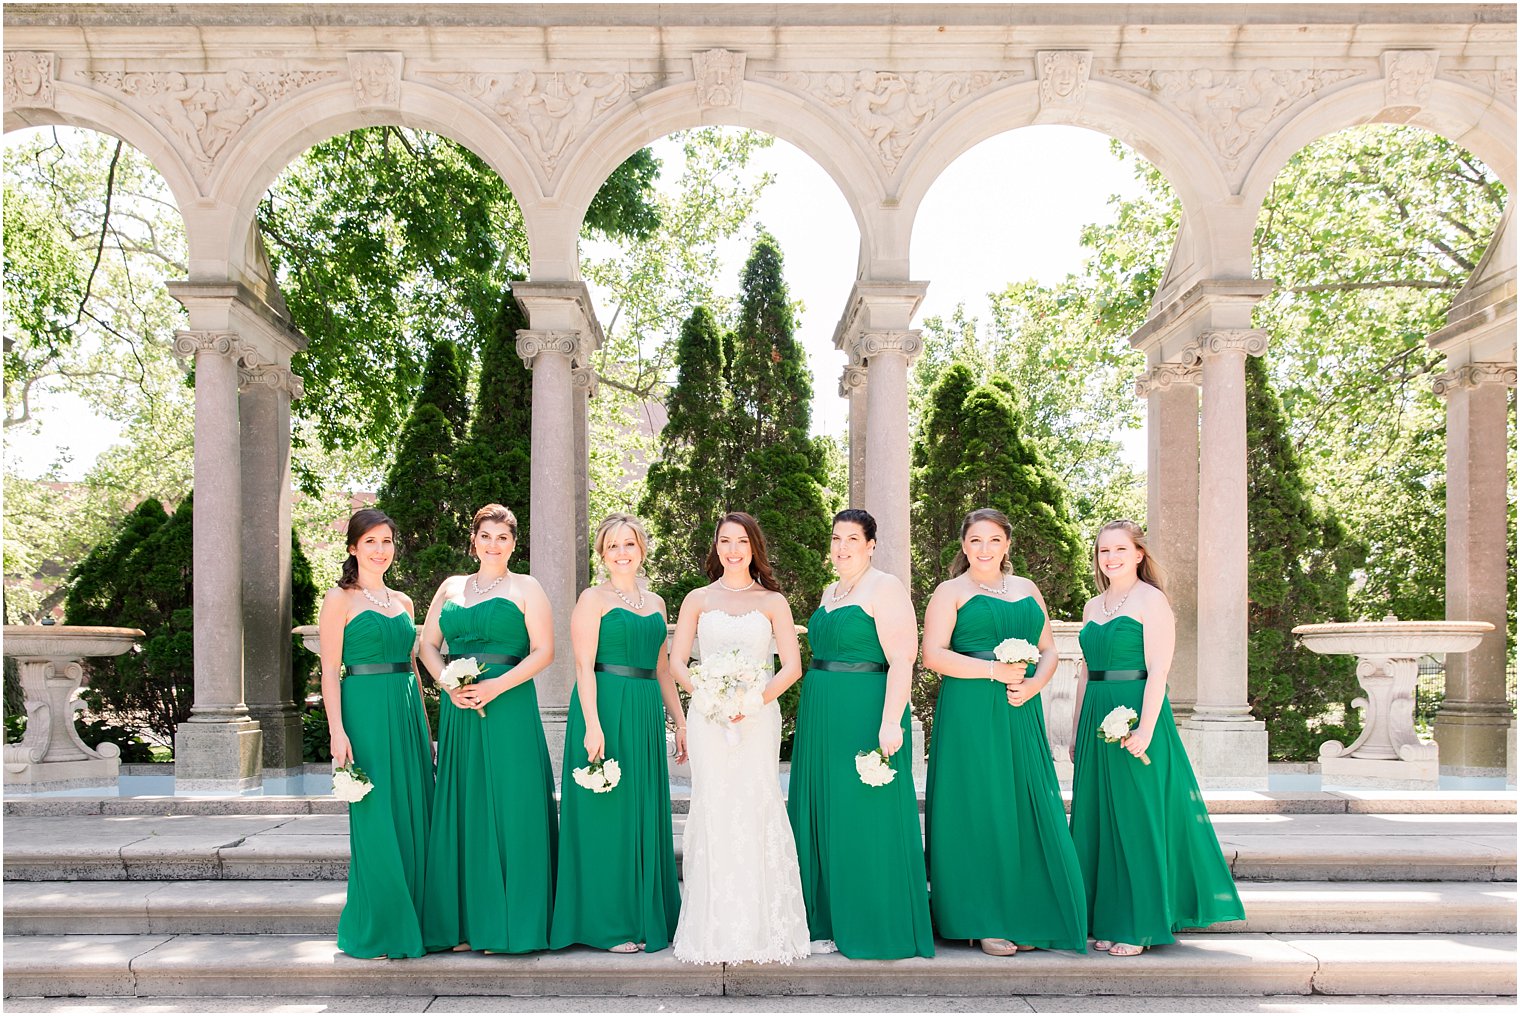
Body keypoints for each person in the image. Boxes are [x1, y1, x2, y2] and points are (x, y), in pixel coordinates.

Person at [1061, 519, 1245, 956]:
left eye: (1120, 550)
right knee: (1099, 819)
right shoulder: (1092, 606)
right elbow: (1086, 671)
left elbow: (1159, 672)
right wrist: (1074, 729)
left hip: (1136, 714)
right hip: (1095, 718)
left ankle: (1139, 925)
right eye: (1104, 551)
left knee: (1137, 819)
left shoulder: (1152, 601)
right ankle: (1105, 918)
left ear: (1139, 554)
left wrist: (1145, 728)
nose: (1111, 558)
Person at [922, 508, 1088, 955]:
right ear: (963, 545)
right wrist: (994, 670)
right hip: (971, 711)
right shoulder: (949, 591)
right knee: (980, 805)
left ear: (1007, 544)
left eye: (994, 540)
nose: (985, 548)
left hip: (1021, 708)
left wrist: (1034, 684)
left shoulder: (1028, 589)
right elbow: (932, 655)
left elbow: (1049, 650)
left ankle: (1024, 910)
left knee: (1022, 805)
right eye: (975, 540)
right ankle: (983, 918)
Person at [786, 508, 933, 959]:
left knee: (864, 815)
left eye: (852, 538)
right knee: (825, 811)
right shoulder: (830, 591)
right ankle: (824, 919)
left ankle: (874, 922)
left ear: (871, 544)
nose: (842, 546)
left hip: (866, 712)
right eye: (836, 538)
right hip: (821, 714)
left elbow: (902, 659)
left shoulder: (885, 587)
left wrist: (891, 722)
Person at [668, 512, 810, 965]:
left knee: (756, 804)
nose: (733, 549)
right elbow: (675, 665)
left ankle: (764, 927)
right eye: (725, 541)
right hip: (709, 718)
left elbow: (791, 667)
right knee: (713, 807)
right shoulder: (697, 599)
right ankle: (712, 927)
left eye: (742, 542)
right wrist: (708, 695)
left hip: (757, 718)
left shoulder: (773, 602)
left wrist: (752, 701)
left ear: (754, 548)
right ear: (716, 547)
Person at [418, 504, 557, 954]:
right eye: (486, 535)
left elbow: (543, 652)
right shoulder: (452, 587)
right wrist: (447, 683)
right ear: (473, 539)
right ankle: (465, 923)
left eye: (503, 537)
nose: (493, 544)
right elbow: (428, 646)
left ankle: (513, 924)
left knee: (513, 806)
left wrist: (496, 686)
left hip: (510, 704)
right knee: (466, 806)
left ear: (514, 544)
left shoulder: (526, 587)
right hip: (460, 711)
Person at [550, 513, 686, 953]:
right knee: (606, 817)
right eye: (612, 546)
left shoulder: (659, 603)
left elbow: (663, 668)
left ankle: (647, 915)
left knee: (641, 813)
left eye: (629, 544)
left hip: (645, 713)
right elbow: (583, 666)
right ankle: (606, 924)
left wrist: (679, 722)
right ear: (602, 553)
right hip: (605, 707)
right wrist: (592, 723)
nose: (621, 553)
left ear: (642, 549)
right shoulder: (593, 599)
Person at [318, 507, 433, 960]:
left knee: (414, 817)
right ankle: (382, 928)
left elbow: (414, 670)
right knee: (377, 821)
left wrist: (425, 728)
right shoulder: (339, 600)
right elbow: (328, 672)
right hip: (363, 713)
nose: (380, 550)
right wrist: (337, 731)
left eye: (387, 542)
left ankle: (420, 922)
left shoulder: (403, 602)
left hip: (405, 714)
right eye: (371, 542)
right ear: (353, 547)